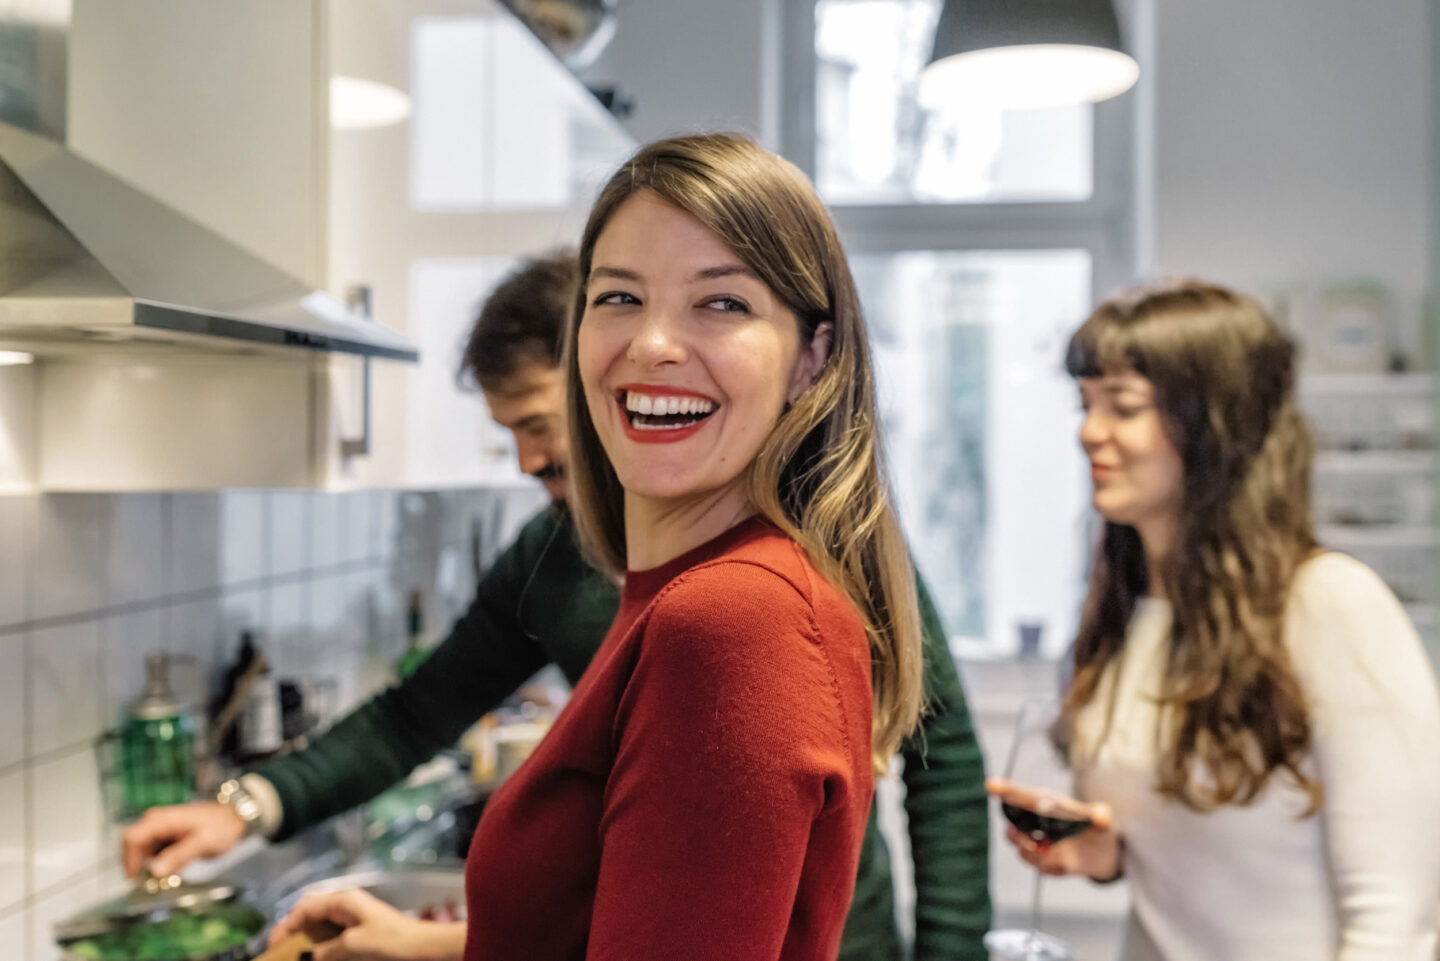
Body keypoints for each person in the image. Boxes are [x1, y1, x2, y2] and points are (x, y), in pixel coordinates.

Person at [124, 250, 993, 956]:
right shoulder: (553, 554)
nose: (527, 461)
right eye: (509, 434)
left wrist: (955, 952)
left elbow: (939, 750)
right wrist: (242, 805)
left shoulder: (801, 556)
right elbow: (418, 712)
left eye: (538, 426)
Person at [989, 279, 1440, 960]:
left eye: (1124, 406)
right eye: (1085, 404)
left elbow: (1397, 921)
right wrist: (1107, 853)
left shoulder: (1331, 604)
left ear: (1217, 425)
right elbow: (1181, 854)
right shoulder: (1125, 608)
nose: (1090, 431)